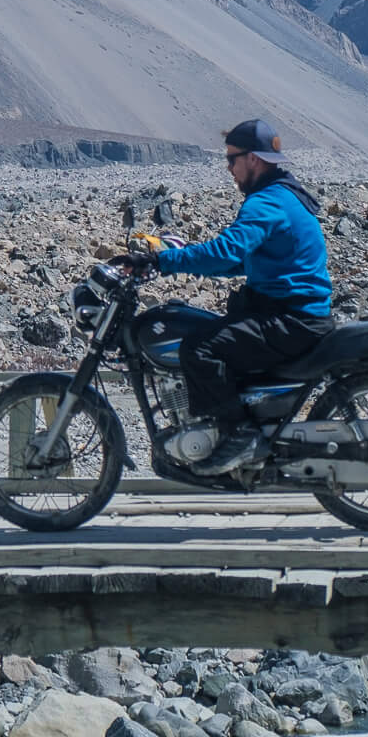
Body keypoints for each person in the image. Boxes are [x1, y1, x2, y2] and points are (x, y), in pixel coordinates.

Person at [146, 119, 334, 474]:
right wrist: (180, 258)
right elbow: (245, 261)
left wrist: (163, 261)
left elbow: (227, 253)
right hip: (296, 314)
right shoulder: (284, 195)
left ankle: (241, 434)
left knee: (199, 348)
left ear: (254, 160)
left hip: (292, 319)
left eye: (231, 160)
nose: (229, 169)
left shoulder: (266, 203)